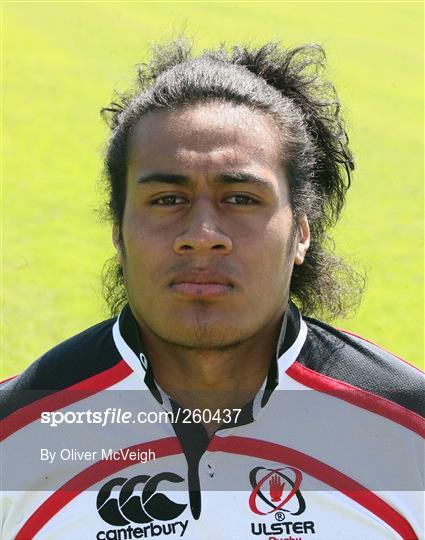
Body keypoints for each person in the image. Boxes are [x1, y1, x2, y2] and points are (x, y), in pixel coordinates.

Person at [1, 39, 423, 540]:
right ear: (118, 230)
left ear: (301, 232)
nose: (202, 236)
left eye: (241, 198)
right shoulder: (16, 437)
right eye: (167, 199)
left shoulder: (408, 435)